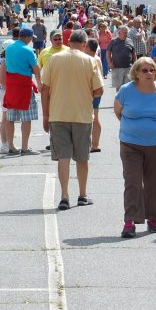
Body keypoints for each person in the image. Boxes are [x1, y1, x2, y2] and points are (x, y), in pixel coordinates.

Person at [40, 29, 104, 210]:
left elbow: (44, 88)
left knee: (63, 157)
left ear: (69, 41)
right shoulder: (90, 61)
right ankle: (82, 194)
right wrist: (86, 93)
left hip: (58, 114)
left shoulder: (54, 59)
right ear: (84, 44)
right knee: (82, 157)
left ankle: (64, 195)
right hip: (82, 115)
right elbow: (99, 90)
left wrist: (46, 115)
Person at [114, 56, 156, 238]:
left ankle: (153, 219)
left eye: (152, 70)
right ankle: (129, 222)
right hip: (130, 144)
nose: (149, 73)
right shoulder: (126, 91)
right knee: (132, 182)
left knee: (155, 183)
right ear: (136, 73)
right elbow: (118, 111)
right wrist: (134, 128)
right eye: (144, 70)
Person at [2, 28, 42, 155]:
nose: (31, 40)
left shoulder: (9, 48)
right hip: (24, 85)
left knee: (10, 117)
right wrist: (39, 83)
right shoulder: (28, 50)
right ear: (28, 37)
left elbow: (7, 65)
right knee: (26, 117)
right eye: (31, 38)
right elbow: (36, 68)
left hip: (11, 85)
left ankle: (11, 146)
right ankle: (24, 147)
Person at [83, 37, 103, 153]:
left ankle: (90, 144)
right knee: (95, 116)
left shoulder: (89, 59)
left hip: (90, 91)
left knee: (89, 118)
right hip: (97, 90)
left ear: (88, 48)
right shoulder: (97, 58)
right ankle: (95, 144)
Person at [108, 26, 136, 92]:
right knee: (119, 88)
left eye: (127, 33)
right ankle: (119, 101)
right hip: (117, 67)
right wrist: (110, 63)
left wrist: (135, 63)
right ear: (119, 33)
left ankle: (126, 101)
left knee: (128, 87)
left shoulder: (130, 41)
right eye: (124, 33)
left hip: (128, 67)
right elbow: (108, 52)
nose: (126, 34)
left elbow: (133, 53)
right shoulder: (113, 41)